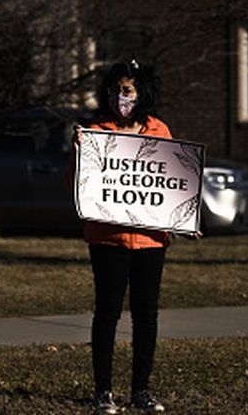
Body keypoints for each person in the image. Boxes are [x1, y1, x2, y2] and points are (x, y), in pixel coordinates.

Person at [75, 59, 170, 415]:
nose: (120, 97)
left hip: (150, 240)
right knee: (107, 313)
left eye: (127, 91)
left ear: (141, 92)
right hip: (108, 238)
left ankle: (141, 390)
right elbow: (79, 187)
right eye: (114, 91)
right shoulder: (95, 132)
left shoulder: (160, 131)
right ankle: (104, 392)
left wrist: (186, 219)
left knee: (146, 315)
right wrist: (80, 151)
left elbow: (172, 182)